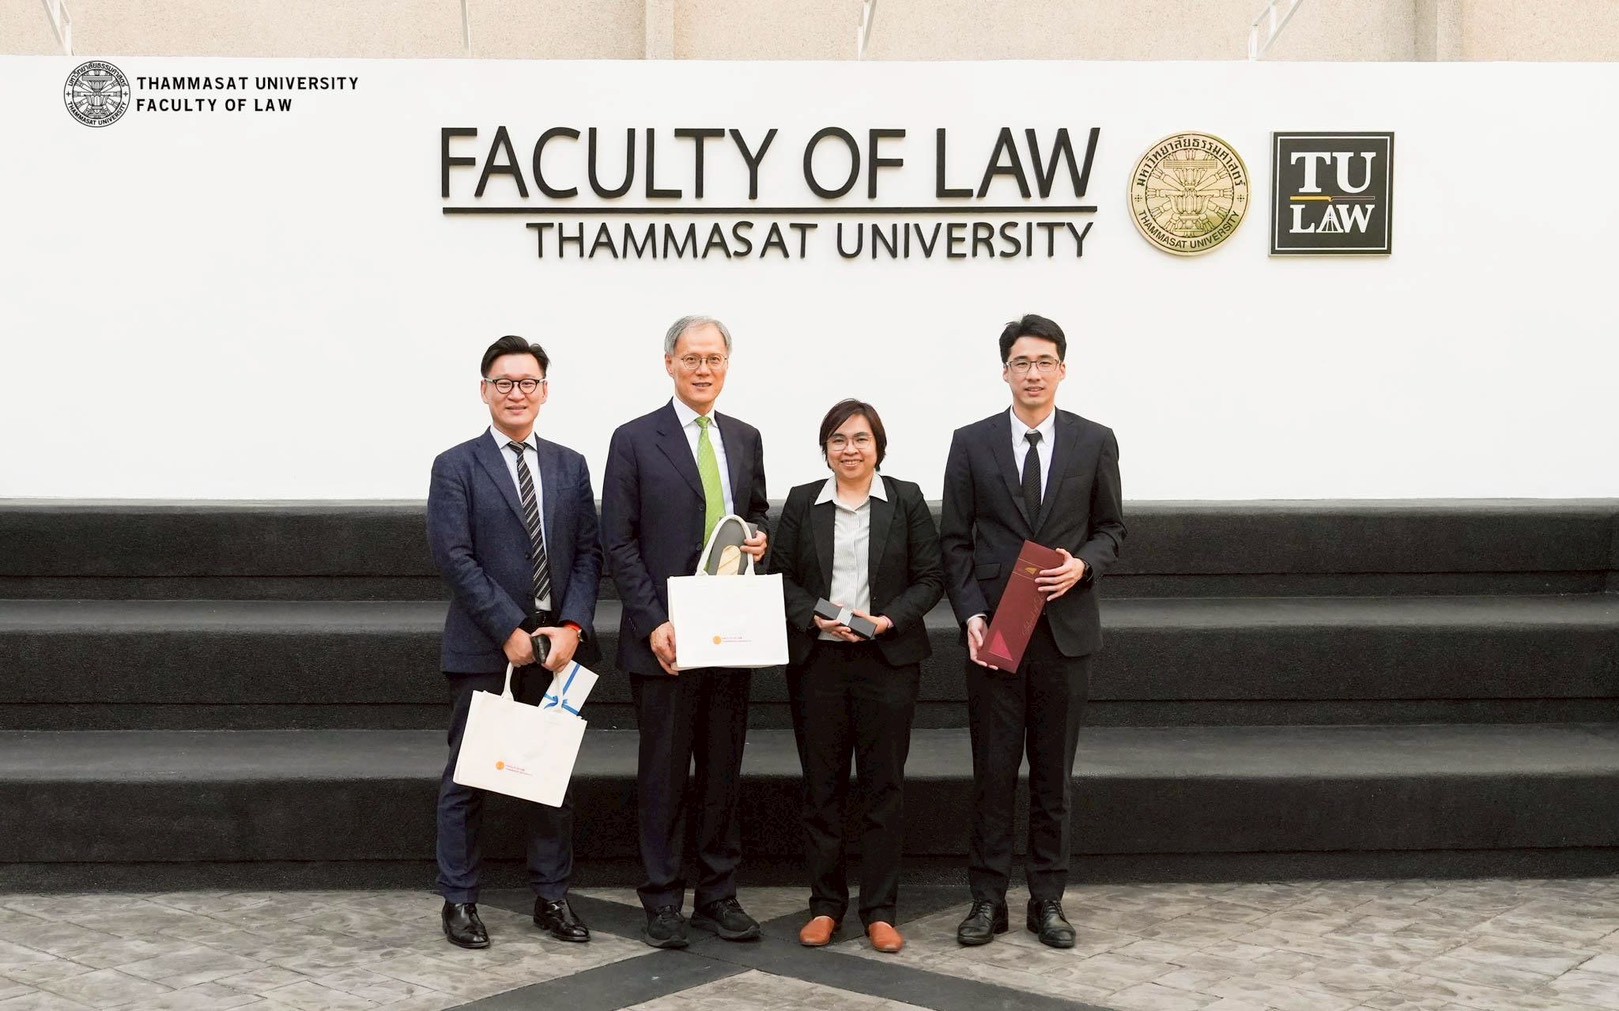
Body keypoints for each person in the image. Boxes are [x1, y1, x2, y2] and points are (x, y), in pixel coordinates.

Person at [938, 314, 1125, 949]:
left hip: (1065, 636)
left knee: (1053, 779)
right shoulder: (970, 442)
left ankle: (1048, 900)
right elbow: (954, 542)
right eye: (1022, 363)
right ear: (1005, 372)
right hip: (996, 635)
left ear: (1063, 369)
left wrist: (1083, 565)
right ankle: (986, 901)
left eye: (1045, 362)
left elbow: (1112, 530)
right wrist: (970, 613)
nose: (1034, 374)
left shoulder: (1095, 442)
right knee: (992, 776)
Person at [425, 335, 602, 949]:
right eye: (504, 382)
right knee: (468, 778)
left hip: (558, 651)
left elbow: (587, 553)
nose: (516, 393)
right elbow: (455, 558)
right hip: (485, 647)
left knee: (550, 778)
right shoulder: (456, 465)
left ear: (545, 392)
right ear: (484, 391)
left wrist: (571, 627)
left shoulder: (569, 464)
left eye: (528, 382)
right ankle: (460, 900)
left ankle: (551, 897)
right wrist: (509, 629)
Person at [600, 315, 770, 949]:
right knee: (666, 774)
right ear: (668, 362)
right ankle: (663, 899)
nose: (704, 369)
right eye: (692, 358)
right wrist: (654, 623)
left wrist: (759, 534)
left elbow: (752, 510)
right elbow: (617, 540)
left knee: (723, 770)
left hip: (730, 631)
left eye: (715, 359)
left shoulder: (746, 437)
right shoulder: (634, 439)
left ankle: (718, 895)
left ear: (728, 366)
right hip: (667, 636)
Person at [770, 399, 943, 954]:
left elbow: (930, 576)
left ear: (878, 447)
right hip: (819, 663)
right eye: (839, 439)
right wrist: (814, 615)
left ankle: (880, 910)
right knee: (821, 789)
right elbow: (781, 578)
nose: (850, 449)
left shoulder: (907, 499)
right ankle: (825, 906)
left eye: (861, 439)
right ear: (826, 447)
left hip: (886, 662)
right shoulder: (803, 502)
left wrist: (887, 620)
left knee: (882, 787)